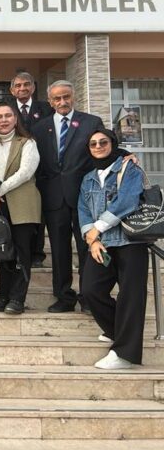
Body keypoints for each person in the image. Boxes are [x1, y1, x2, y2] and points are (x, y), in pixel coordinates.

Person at [78, 128, 148, 369]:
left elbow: (127, 200)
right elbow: (83, 209)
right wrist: (92, 238)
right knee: (90, 290)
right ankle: (116, 329)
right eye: (93, 144)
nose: (98, 147)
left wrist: (98, 228)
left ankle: (125, 355)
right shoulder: (88, 177)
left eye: (103, 142)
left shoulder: (129, 169)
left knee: (131, 295)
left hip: (130, 242)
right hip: (103, 244)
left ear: (113, 143)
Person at [31, 80, 103, 313]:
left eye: (66, 97)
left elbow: (104, 152)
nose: (62, 102)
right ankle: (64, 297)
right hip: (53, 198)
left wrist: (127, 156)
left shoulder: (91, 122)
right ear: (50, 101)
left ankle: (89, 297)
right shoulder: (40, 128)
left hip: (84, 198)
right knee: (60, 251)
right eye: (57, 99)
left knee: (86, 249)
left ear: (73, 97)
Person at [0, 102, 41, 315]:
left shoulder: (27, 143)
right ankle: (4, 295)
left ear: (15, 119)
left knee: (22, 252)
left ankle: (18, 298)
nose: (4, 120)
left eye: (8, 115)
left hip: (23, 205)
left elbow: (26, 172)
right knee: (1, 251)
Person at [10, 71, 53, 267]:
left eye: (26, 84)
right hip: (15, 169)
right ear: (12, 90)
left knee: (38, 213)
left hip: (42, 168)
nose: (22, 88)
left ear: (33, 87)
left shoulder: (45, 108)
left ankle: (37, 253)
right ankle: (16, 252)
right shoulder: (7, 109)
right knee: (18, 212)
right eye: (18, 85)